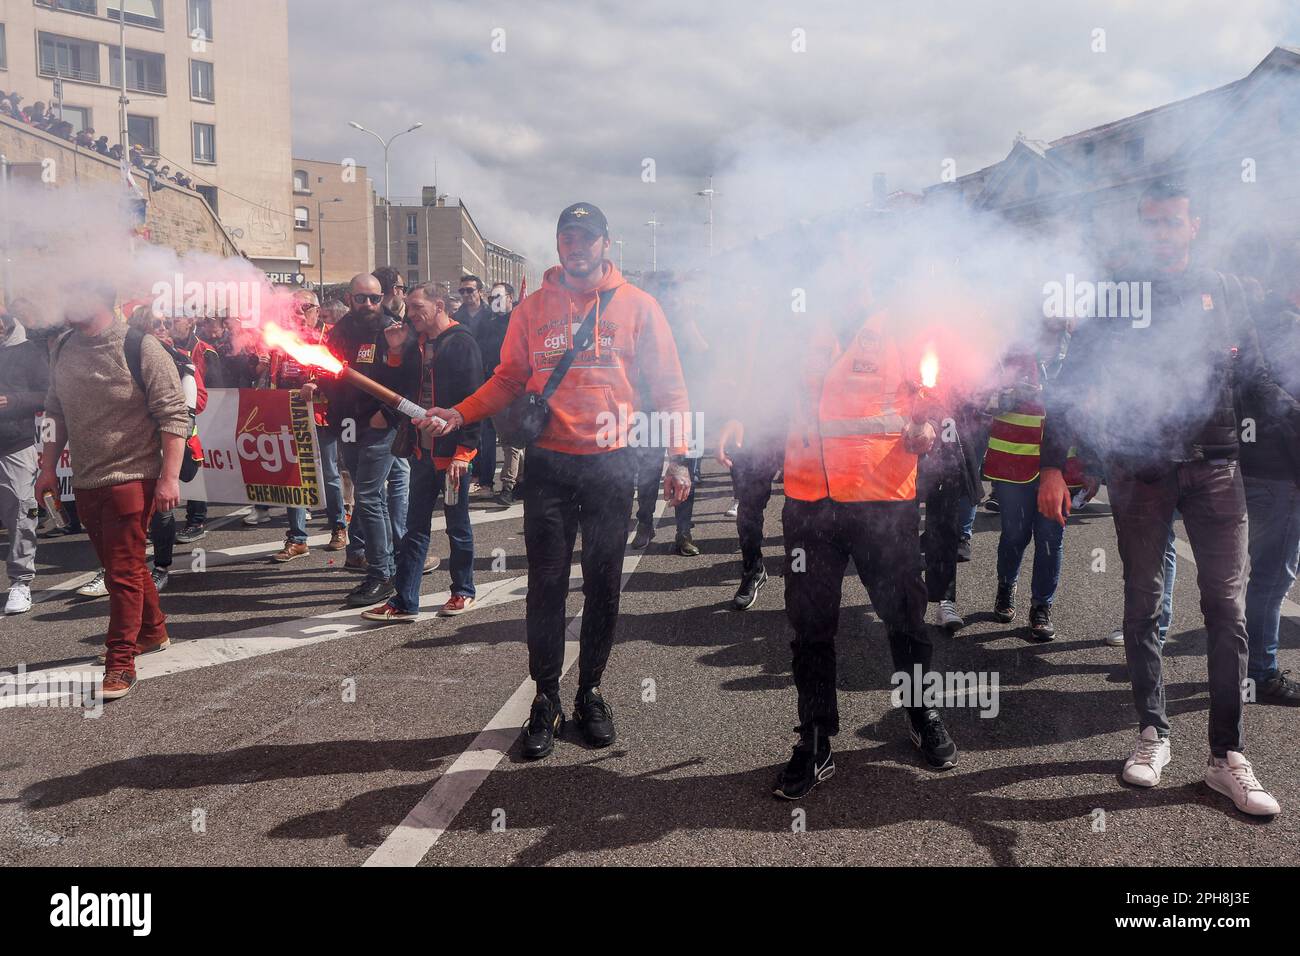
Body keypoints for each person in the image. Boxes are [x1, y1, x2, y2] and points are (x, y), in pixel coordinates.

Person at [1040, 182, 1300, 816]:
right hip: (1141, 470)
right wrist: (1052, 463)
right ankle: (1152, 733)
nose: (1161, 232)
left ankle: (1226, 758)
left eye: (1172, 222)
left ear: (1193, 226)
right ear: (1141, 228)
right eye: (1151, 223)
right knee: (1143, 603)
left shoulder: (1228, 290)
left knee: (1227, 611)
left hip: (1216, 469)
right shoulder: (1114, 295)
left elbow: (1260, 381)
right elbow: (1074, 382)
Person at [425, 202, 692, 760]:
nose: (576, 246)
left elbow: (669, 389)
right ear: (559, 245)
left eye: (587, 237)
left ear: (605, 244)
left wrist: (679, 457)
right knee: (546, 587)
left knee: (603, 585)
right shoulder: (533, 309)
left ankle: (591, 690)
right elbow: (506, 379)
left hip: (610, 466)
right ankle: (545, 697)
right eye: (567, 237)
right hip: (548, 465)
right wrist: (460, 412)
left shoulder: (640, 307)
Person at [761, 275, 958, 800]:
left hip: (883, 501)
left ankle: (919, 710)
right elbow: (769, 394)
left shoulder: (905, 326)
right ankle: (817, 736)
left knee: (906, 619)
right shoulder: (797, 325)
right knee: (810, 627)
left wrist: (930, 424)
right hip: (809, 503)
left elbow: (939, 395)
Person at [36, 282, 189, 700]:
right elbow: (54, 410)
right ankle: (154, 632)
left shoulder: (142, 347)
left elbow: (175, 417)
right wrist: (48, 467)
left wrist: (169, 478)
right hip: (86, 480)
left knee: (120, 572)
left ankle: (120, 660)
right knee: (127, 565)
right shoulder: (64, 345)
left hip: (132, 478)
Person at [363, 284, 483, 621]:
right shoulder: (415, 344)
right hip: (422, 452)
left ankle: (463, 591)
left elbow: (475, 400)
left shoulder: (462, 342)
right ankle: (405, 600)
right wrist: (395, 351)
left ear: (439, 305)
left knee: (457, 525)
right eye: (409, 308)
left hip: (453, 454)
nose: (410, 314)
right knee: (415, 527)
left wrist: (464, 452)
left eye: (417, 307)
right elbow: (396, 392)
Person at [985, 324, 1092, 641]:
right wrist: (1007, 396)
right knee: (1015, 534)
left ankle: (1041, 607)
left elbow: (1092, 406)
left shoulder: (1079, 346)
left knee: (1050, 538)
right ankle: (1006, 585)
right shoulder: (1012, 343)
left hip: (1061, 467)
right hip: (1013, 460)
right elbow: (981, 395)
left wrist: (1092, 462)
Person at [323, 274, 420, 607]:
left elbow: (411, 381)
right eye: (361, 298)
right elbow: (328, 375)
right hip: (348, 425)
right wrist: (331, 406)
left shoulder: (394, 330)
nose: (368, 305)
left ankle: (382, 573)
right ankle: (390, 563)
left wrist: (388, 416)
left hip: (380, 424)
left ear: (383, 298)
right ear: (349, 298)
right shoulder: (338, 332)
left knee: (368, 495)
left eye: (374, 298)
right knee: (366, 493)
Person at [1239, 242, 1300, 705]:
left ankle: (1254, 666)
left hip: (1261, 468)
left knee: (1263, 574)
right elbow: (1285, 409)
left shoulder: (1258, 321)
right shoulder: (1287, 328)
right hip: (1281, 473)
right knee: (1272, 577)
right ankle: (1261, 672)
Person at [0, 305, 50, 615]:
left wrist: (13, 400)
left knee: (21, 510)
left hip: (14, 444)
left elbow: (48, 393)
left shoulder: (28, 349)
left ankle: (21, 582)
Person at [172, 312, 223, 543]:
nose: (171, 324)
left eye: (176, 319)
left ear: (190, 322)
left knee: (194, 470)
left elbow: (218, 389)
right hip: (172, 416)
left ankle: (196, 520)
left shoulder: (206, 351)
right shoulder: (164, 347)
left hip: (200, 416)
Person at [473, 282, 515, 503]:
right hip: (489, 384)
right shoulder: (486, 322)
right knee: (487, 437)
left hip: (512, 385)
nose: (495, 302)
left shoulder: (518, 320)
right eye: (492, 298)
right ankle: (487, 482)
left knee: (511, 439)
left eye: (499, 297)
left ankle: (509, 485)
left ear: (510, 298)